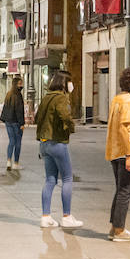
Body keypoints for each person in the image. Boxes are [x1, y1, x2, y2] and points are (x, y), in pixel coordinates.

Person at [35, 70, 83, 229]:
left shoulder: (46, 97)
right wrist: (71, 125)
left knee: (50, 180)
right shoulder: (61, 98)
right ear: (64, 83)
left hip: (44, 143)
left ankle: (45, 216)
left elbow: (38, 118)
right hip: (57, 143)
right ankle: (67, 216)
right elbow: (64, 116)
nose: (72, 85)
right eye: (70, 82)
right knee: (67, 178)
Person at [105, 67, 130, 242]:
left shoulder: (117, 99)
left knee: (120, 190)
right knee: (125, 192)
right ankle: (119, 230)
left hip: (115, 151)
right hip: (126, 152)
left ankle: (115, 227)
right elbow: (124, 127)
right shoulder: (128, 102)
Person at [1, 75, 25, 172]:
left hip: (8, 122)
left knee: (11, 141)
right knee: (18, 142)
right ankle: (16, 163)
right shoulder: (18, 96)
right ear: (16, 85)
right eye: (20, 84)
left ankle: (8, 161)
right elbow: (19, 111)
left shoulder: (9, 94)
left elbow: (5, 108)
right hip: (16, 122)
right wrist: (22, 123)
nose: (21, 85)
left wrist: (4, 119)